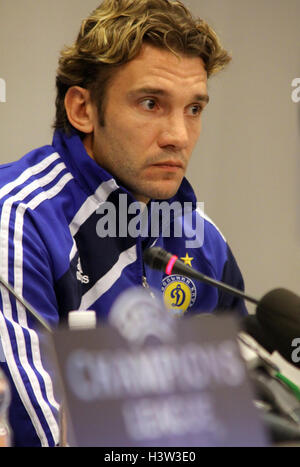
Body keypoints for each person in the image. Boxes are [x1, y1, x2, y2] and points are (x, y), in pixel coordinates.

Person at [0, 0, 247, 447]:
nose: (179, 135)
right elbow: (38, 435)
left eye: (194, 109)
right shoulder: (18, 221)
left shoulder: (202, 241)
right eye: (151, 103)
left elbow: (244, 418)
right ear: (82, 109)